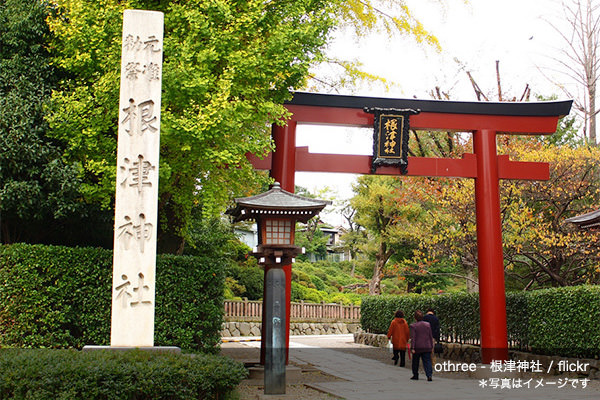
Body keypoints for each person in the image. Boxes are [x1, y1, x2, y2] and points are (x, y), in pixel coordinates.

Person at [409, 310, 434, 381]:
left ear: (415, 318)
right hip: (426, 346)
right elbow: (430, 336)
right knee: (427, 361)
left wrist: (412, 348)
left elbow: (413, 337)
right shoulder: (428, 325)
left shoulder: (413, 326)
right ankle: (429, 375)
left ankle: (415, 375)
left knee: (415, 362)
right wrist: (431, 346)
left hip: (417, 347)